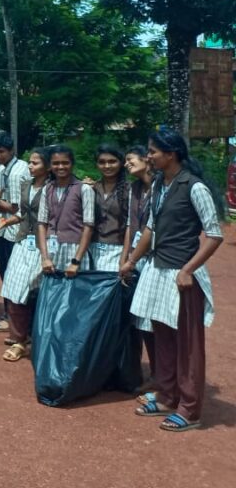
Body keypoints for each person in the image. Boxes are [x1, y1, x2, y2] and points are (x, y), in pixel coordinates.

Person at [124, 129, 224, 432]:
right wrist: (131, 261)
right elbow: (150, 229)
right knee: (163, 337)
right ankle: (167, 396)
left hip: (182, 276)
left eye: (153, 151)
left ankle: (190, 409)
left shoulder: (194, 188)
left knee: (188, 344)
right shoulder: (158, 184)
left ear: (172, 154)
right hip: (158, 271)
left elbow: (214, 235)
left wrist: (188, 270)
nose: (149, 156)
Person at [0, 149, 50, 361]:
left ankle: (36, 337)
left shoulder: (54, 189)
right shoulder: (27, 186)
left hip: (46, 245)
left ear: (48, 166)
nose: (30, 166)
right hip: (23, 241)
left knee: (38, 293)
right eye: (30, 163)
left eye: (35, 163)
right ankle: (18, 340)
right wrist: (5, 222)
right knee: (13, 289)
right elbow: (23, 213)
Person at [124, 145, 156, 382]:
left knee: (153, 323)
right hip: (136, 259)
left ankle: (161, 377)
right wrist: (126, 258)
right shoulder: (134, 189)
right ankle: (144, 374)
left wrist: (132, 259)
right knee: (139, 321)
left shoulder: (161, 187)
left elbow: (151, 230)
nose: (127, 164)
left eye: (130, 159)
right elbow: (130, 226)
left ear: (146, 159)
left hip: (155, 260)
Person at [37, 145, 95, 276]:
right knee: (51, 292)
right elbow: (42, 223)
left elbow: (88, 227)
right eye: (56, 163)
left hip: (75, 250)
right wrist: (45, 258)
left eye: (65, 163)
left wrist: (76, 262)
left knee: (75, 293)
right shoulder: (47, 189)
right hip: (51, 249)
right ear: (50, 166)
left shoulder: (84, 189)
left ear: (72, 164)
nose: (61, 167)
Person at [90, 145, 129, 272]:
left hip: (117, 249)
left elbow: (130, 225)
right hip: (91, 248)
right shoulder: (92, 188)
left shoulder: (130, 190)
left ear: (121, 163)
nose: (107, 166)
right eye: (102, 162)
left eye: (112, 161)